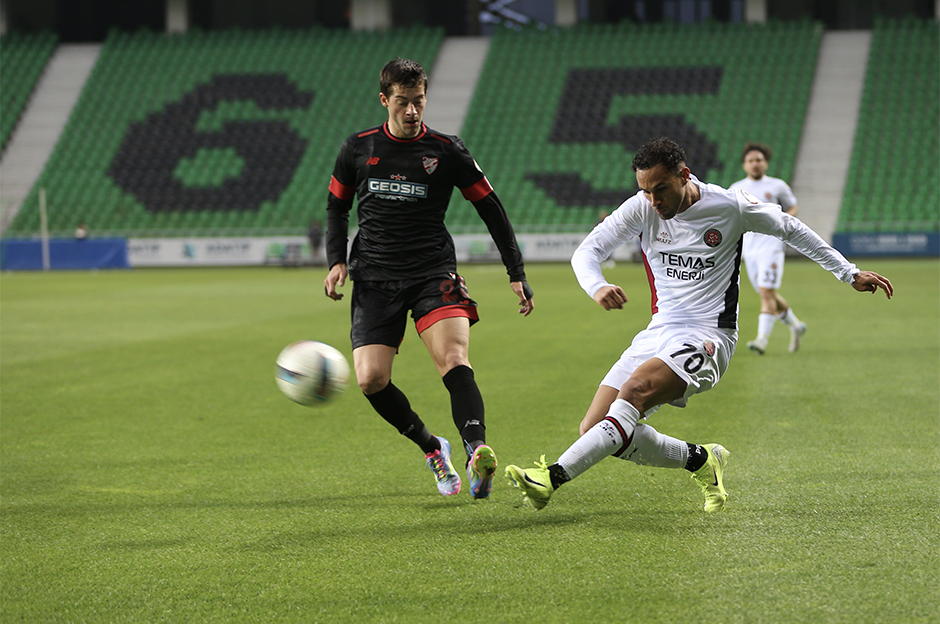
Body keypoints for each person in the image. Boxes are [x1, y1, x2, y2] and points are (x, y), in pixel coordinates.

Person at [505, 137, 892, 513]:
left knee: (635, 392)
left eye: (661, 190)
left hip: (710, 334)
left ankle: (550, 478)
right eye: (646, 191)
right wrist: (597, 284)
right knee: (594, 429)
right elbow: (587, 251)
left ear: (685, 175)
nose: (654, 202)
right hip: (660, 330)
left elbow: (792, 229)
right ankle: (701, 460)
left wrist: (848, 272)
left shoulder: (729, 205)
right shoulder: (642, 207)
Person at [324, 58, 534, 500]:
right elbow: (336, 206)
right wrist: (335, 260)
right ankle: (431, 447)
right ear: (385, 100)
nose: (412, 111)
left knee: (455, 358)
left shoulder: (446, 150)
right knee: (371, 381)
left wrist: (515, 272)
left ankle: (477, 452)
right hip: (375, 278)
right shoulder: (358, 148)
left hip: (432, 272)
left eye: (418, 101)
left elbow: (491, 207)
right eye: (403, 102)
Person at [729, 142, 806, 354]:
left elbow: (793, 206)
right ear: (744, 165)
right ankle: (796, 326)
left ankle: (762, 339)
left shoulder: (777, 186)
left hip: (771, 246)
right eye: (751, 161)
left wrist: (781, 220)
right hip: (749, 248)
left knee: (766, 293)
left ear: (766, 163)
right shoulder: (736, 189)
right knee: (768, 293)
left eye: (759, 160)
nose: (755, 164)